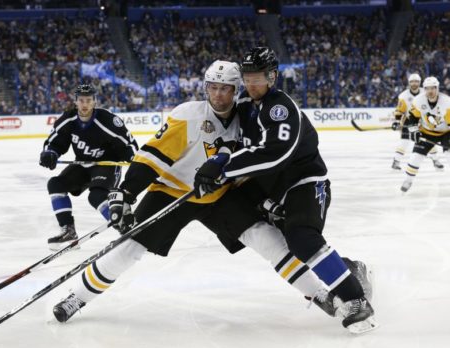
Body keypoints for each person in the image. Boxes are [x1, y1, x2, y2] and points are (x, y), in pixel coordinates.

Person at [51, 60, 360, 328]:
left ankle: (322, 295)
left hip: (219, 194)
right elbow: (152, 157)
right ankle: (77, 298)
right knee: (130, 249)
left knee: (266, 238)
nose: (218, 95)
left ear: (237, 89)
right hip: (173, 192)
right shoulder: (189, 116)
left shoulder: (246, 118)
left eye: (226, 89)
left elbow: (251, 162)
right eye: (213, 87)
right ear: (205, 87)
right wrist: (125, 193)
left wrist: (261, 200)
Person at [193, 47, 377, 333]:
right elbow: (233, 139)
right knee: (288, 243)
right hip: (274, 189)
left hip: (305, 182)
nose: (252, 84)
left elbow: (274, 154)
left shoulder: (280, 107)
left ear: (272, 77)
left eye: (259, 78)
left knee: (302, 238)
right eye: (248, 78)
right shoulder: (243, 102)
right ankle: (350, 269)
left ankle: (356, 300)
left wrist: (224, 166)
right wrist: (216, 159)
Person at [39, 84, 138, 250]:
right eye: (81, 100)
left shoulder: (108, 120)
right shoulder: (68, 119)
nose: (85, 104)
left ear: (94, 102)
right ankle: (68, 231)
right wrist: (50, 153)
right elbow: (54, 142)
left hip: (106, 164)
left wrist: (132, 158)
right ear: (76, 102)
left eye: (89, 100)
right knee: (55, 184)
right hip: (83, 163)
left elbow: (129, 144)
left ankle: (124, 226)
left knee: (96, 196)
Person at [401, 76, 450, 192]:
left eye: (433, 88)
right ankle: (408, 180)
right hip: (426, 132)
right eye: (427, 88)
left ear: (437, 88)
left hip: (445, 133)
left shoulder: (447, 102)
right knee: (415, 158)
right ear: (424, 89)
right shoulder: (418, 100)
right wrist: (414, 131)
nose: (430, 91)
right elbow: (412, 118)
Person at [391, 73, 443, 170]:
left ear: (419, 83)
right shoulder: (403, 96)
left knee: (429, 141)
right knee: (404, 141)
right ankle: (396, 161)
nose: (414, 83)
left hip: (424, 121)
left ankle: (435, 160)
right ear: (409, 83)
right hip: (409, 120)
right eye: (412, 82)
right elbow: (399, 110)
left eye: (416, 81)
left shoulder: (426, 92)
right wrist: (397, 121)